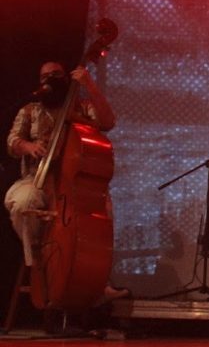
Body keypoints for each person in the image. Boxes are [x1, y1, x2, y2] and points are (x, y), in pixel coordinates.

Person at [5, 61, 127, 305]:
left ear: (66, 78)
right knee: (20, 204)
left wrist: (90, 85)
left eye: (56, 75)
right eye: (45, 76)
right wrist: (29, 146)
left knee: (102, 216)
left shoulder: (82, 107)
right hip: (36, 179)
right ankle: (39, 258)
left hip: (76, 185)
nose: (49, 79)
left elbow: (107, 122)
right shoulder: (30, 110)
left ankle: (97, 282)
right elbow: (12, 142)